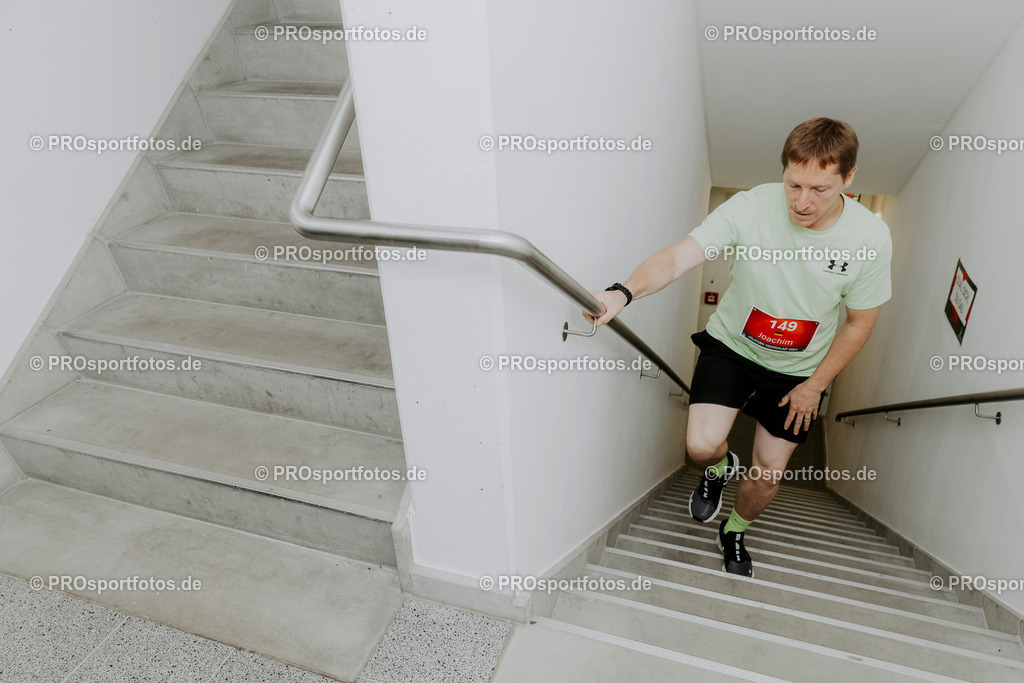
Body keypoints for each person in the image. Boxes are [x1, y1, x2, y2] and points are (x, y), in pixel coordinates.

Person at [585, 118, 892, 576]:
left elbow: (860, 321)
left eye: (820, 190)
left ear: (848, 179)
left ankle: (734, 529)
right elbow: (678, 256)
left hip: (800, 370)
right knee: (700, 444)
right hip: (733, 344)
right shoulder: (749, 207)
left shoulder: (870, 238)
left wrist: (815, 386)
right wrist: (622, 292)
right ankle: (719, 468)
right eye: (794, 184)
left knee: (768, 471)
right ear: (784, 171)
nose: (802, 202)